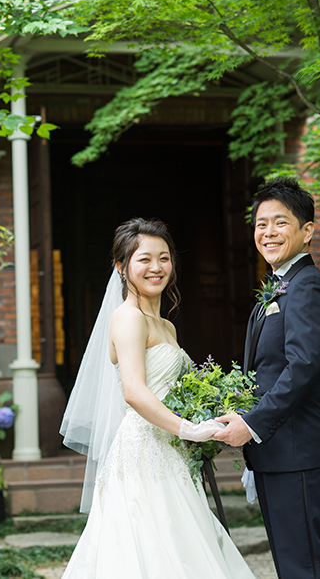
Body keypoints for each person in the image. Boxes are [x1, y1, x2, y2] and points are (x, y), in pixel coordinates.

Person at [60, 218, 255, 579]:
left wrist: (207, 411)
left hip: (171, 448)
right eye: (144, 259)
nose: (156, 267)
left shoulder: (166, 326)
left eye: (164, 258)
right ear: (122, 267)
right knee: (151, 544)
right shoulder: (128, 318)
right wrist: (188, 429)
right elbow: (133, 392)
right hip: (143, 448)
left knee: (183, 540)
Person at [215, 178, 320, 579]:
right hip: (277, 452)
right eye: (261, 224)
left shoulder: (308, 287)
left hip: (299, 451)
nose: (268, 232)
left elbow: (301, 368)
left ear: (307, 231)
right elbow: (265, 372)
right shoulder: (278, 287)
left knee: (305, 566)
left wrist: (251, 424)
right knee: (292, 566)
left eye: (280, 222)